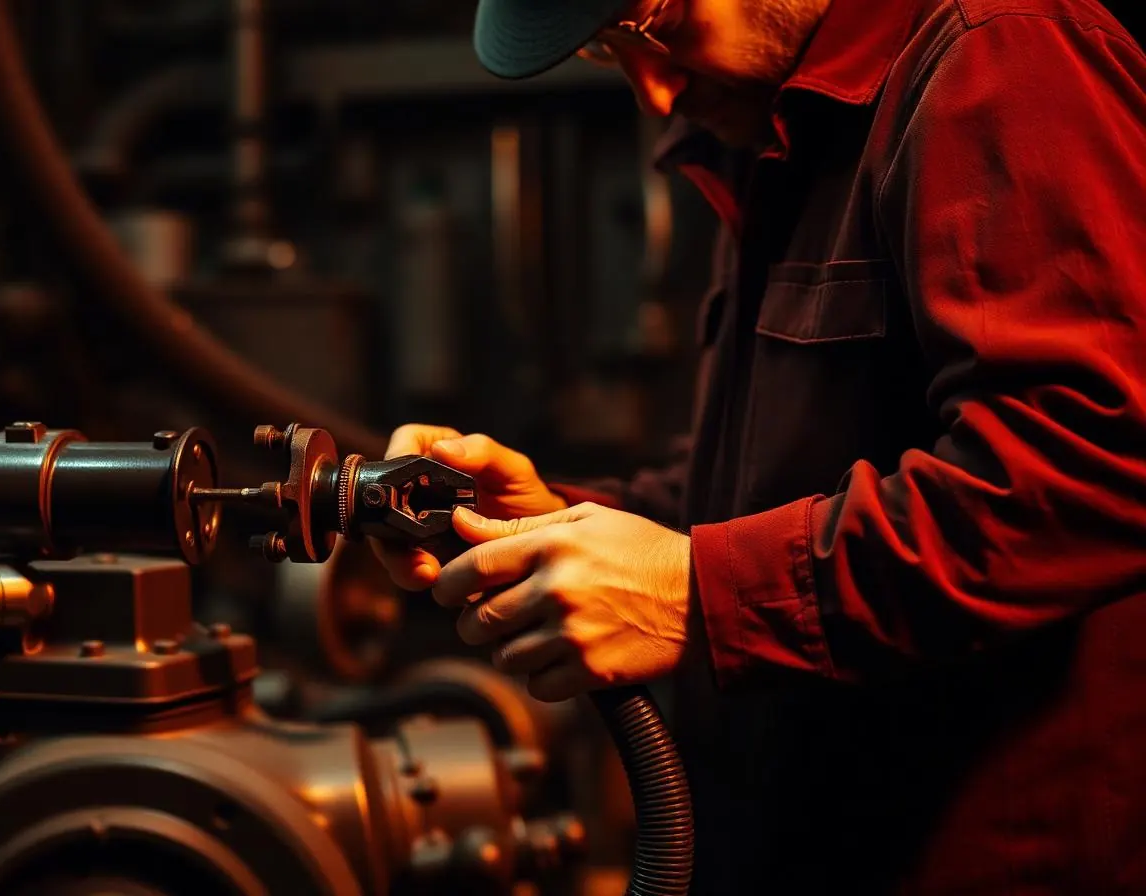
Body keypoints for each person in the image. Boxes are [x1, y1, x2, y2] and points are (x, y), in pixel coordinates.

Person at [372, 0, 1146, 891]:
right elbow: (768, 493)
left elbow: (1096, 464)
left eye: (656, 19)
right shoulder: (778, 132)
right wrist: (560, 524)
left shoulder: (1001, 50)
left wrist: (702, 594)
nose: (653, 94)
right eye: (605, 49)